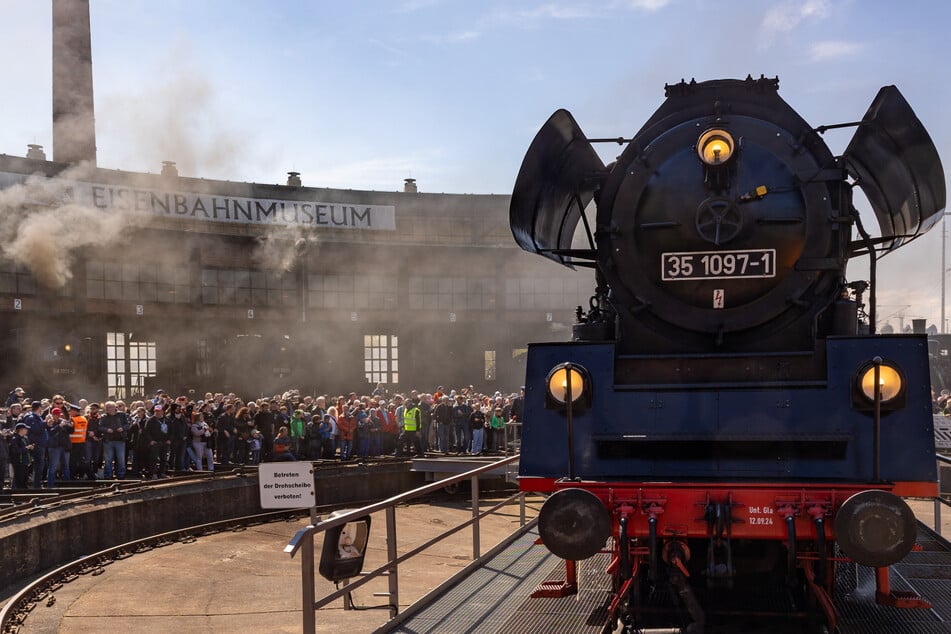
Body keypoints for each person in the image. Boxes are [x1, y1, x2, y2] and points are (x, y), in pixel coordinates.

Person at [100, 401, 130, 479]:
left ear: (114, 407)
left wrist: (122, 428)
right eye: (106, 407)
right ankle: (108, 476)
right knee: (108, 459)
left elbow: (128, 425)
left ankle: (121, 475)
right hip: (108, 440)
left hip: (120, 440)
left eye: (108, 407)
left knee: (121, 459)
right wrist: (107, 430)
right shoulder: (104, 416)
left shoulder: (122, 415)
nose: (107, 409)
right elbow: (100, 427)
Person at [46, 408, 73, 487]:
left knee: (66, 466)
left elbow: (71, 431)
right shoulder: (50, 422)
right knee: (53, 466)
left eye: (60, 415)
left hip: (64, 446)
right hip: (54, 447)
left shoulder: (63, 421)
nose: (59, 416)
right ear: (53, 415)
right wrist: (59, 426)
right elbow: (51, 432)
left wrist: (71, 426)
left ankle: (67, 485)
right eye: (57, 415)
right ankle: (50, 485)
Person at [23, 401, 47, 488]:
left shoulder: (37, 417)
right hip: (36, 444)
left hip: (39, 444)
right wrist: (45, 422)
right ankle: (36, 485)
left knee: (39, 464)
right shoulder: (31, 418)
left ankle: (36, 483)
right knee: (39, 464)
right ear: (39, 407)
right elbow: (36, 429)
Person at [144, 404, 171, 479]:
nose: (157, 412)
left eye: (159, 411)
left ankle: (162, 473)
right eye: (156, 411)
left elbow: (172, 431)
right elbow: (146, 432)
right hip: (155, 442)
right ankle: (153, 473)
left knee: (164, 458)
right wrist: (151, 441)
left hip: (165, 442)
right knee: (153, 459)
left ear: (162, 411)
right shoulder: (150, 420)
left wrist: (169, 439)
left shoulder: (167, 420)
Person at [10, 422, 32, 489]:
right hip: (19, 462)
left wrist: (30, 448)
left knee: (24, 478)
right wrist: (26, 448)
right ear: (21, 430)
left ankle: (23, 491)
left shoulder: (25, 438)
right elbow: (15, 451)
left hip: (25, 462)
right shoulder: (15, 439)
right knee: (19, 479)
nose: (27, 430)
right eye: (25, 429)